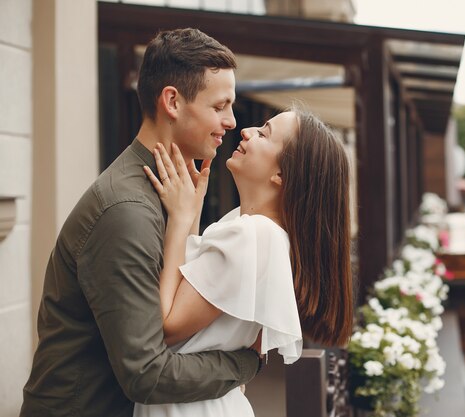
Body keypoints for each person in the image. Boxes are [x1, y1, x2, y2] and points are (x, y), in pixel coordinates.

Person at [20, 28, 263, 417]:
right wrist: (247, 362)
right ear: (172, 101)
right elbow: (146, 373)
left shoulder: (173, 193)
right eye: (220, 106)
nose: (232, 121)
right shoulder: (126, 210)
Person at [134, 107, 354, 416]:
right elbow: (194, 288)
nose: (246, 131)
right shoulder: (254, 228)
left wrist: (180, 221)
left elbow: (165, 327)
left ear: (281, 175)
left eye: (264, 134)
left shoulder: (252, 234)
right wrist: (192, 211)